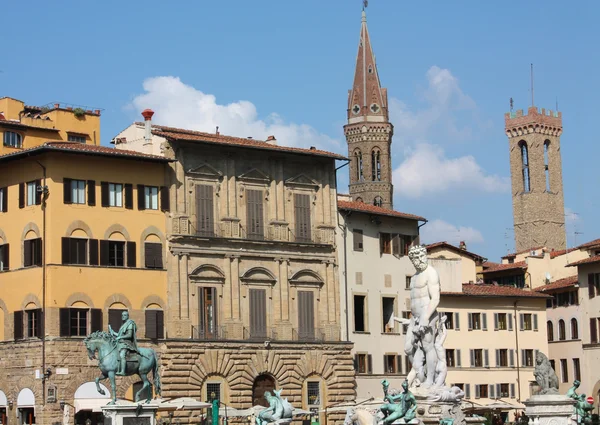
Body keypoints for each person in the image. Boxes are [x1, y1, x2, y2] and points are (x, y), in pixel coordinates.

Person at [406, 245, 442, 387]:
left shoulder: (431, 273)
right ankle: (419, 373)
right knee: (408, 348)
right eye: (415, 258)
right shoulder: (414, 277)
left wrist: (426, 317)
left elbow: (435, 298)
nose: (419, 260)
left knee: (428, 347)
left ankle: (430, 380)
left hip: (428, 315)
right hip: (414, 318)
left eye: (421, 256)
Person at [109, 310, 139, 376]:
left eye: (125, 315)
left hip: (127, 344)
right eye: (122, 315)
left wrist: (119, 337)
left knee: (122, 355)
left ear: (128, 316)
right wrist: (113, 333)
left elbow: (129, 335)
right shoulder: (124, 325)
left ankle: (122, 371)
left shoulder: (130, 324)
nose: (123, 316)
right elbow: (120, 335)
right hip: (121, 343)